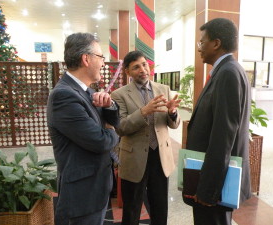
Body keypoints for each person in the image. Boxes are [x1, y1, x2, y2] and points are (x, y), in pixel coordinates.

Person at [47, 32, 119, 225]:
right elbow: (101, 141)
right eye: (101, 57)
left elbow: (112, 118)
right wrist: (110, 128)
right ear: (86, 59)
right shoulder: (64, 95)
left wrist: (109, 106)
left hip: (95, 188)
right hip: (82, 195)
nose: (103, 63)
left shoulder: (87, 91)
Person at [185, 18, 252, 225]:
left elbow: (223, 137)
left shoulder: (228, 74)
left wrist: (207, 190)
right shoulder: (225, 71)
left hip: (216, 183)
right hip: (214, 177)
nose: (199, 48)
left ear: (216, 43)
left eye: (201, 42)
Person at [111, 50, 181, 225]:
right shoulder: (119, 95)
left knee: (159, 206)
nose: (142, 69)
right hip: (134, 157)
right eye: (136, 67)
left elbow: (173, 124)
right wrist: (143, 111)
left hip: (160, 156)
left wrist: (172, 112)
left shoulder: (163, 89)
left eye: (144, 64)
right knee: (132, 208)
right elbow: (121, 128)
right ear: (128, 72)